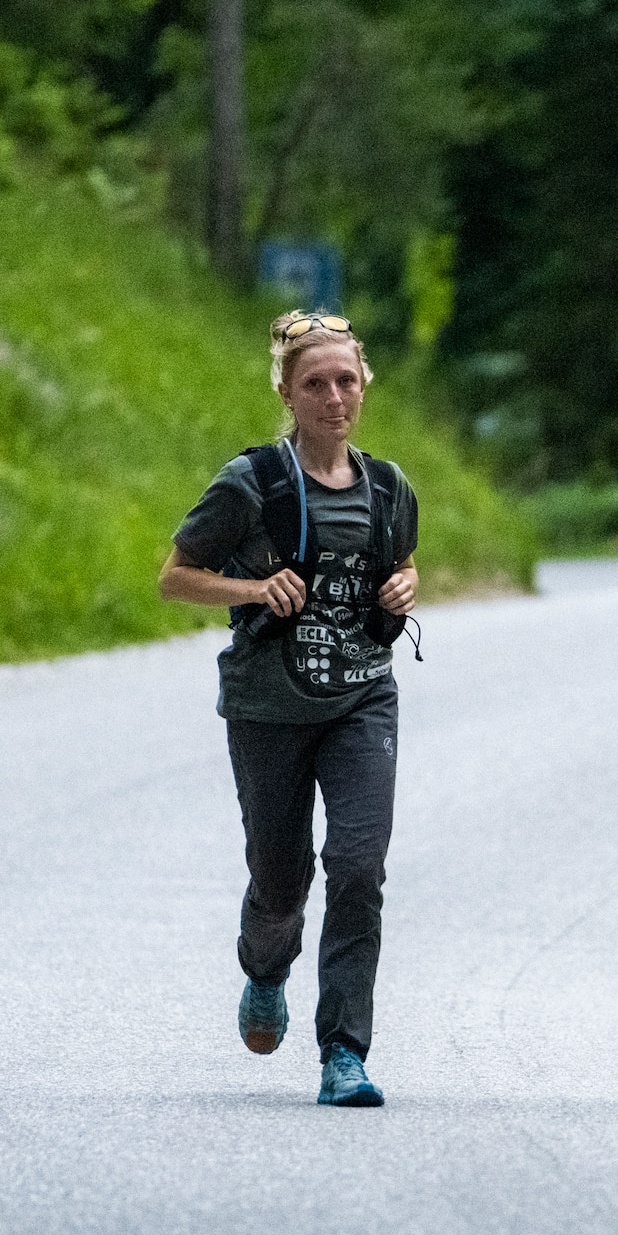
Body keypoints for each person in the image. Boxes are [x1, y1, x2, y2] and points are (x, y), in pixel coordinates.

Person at [158, 310, 419, 1108]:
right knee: (281, 881)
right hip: (267, 706)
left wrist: (404, 588)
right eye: (315, 383)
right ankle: (266, 967)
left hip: (361, 700)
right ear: (286, 391)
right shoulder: (251, 484)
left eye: (346, 380)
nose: (334, 397)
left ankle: (344, 1052)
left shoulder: (391, 486)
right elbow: (175, 576)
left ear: (364, 386)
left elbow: (395, 565)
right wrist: (249, 589)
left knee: (358, 867)